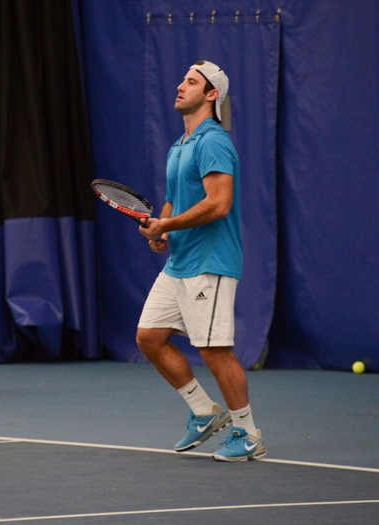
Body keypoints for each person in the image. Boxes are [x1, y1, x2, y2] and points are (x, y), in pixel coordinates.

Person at [136, 61, 265, 461]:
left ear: (211, 95)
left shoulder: (213, 141)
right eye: (181, 80)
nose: (180, 86)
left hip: (210, 263)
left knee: (213, 351)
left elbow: (219, 203)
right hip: (179, 263)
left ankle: (248, 432)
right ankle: (204, 411)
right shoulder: (180, 145)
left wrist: (168, 223)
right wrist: (164, 230)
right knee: (149, 337)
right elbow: (177, 198)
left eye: (191, 82)